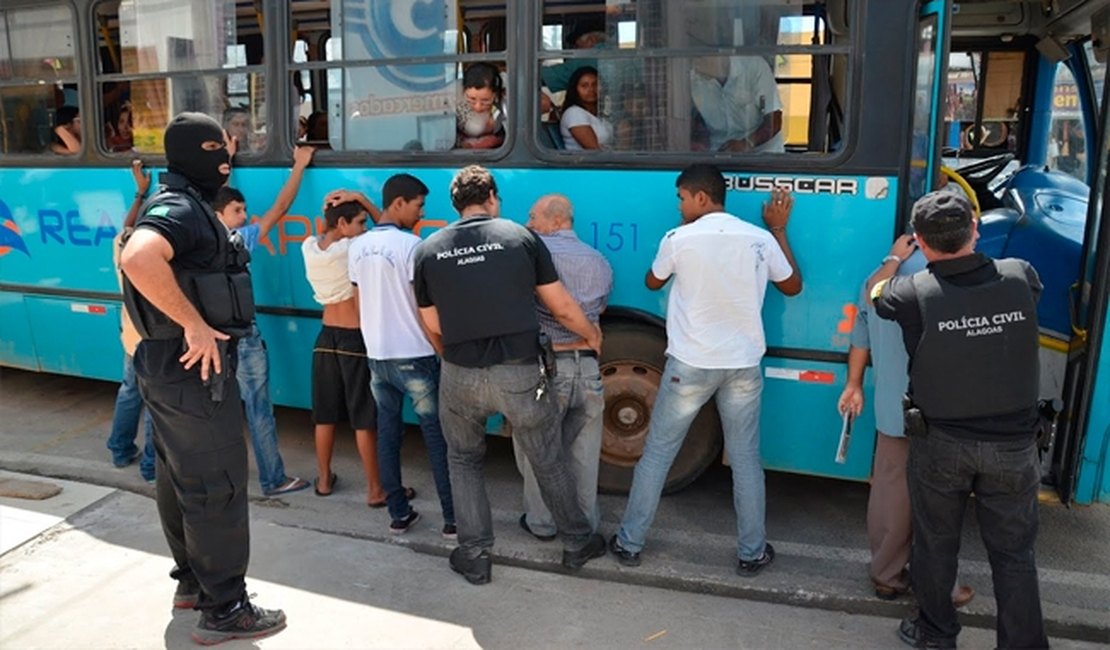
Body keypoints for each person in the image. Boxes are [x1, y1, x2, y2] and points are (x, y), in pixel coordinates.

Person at [119, 112, 286, 644]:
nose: (226, 157)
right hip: (193, 370)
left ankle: (193, 583)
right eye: (214, 147)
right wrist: (193, 323)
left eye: (228, 146)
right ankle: (225, 609)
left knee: (182, 479)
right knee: (218, 486)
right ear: (189, 153)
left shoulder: (186, 203)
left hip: (174, 369)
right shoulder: (180, 208)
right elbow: (140, 256)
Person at [869, 191, 1047, 649]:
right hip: (1014, 445)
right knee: (1014, 556)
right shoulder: (1020, 275)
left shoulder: (911, 292)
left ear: (922, 243)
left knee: (935, 547)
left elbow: (874, 295)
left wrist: (895, 255)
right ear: (975, 229)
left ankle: (936, 635)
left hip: (942, 444)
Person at [413, 165, 607, 585]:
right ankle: (577, 542)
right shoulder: (521, 238)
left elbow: (433, 324)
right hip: (519, 372)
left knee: (463, 461)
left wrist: (456, 356)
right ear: (493, 197)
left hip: (460, 372)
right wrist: (591, 333)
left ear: (455, 204)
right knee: (547, 456)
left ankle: (475, 555)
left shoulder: (428, 250)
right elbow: (561, 308)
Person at [609, 164, 801, 575]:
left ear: (700, 197)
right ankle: (751, 553)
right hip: (743, 366)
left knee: (658, 454)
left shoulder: (679, 239)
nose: (678, 207)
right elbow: (792, 286)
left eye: (681, 198)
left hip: (690, 365)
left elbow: (652, 282)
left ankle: (629, 543)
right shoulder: (760, 238)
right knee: (747, 459)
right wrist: (780, 230)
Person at [837, 238, 974, 608]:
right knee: (938, 502)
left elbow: (860, 338)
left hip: (892, 409)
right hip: (944, 413)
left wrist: (853, 384)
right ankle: (942, 586)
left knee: (890, 495)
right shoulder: (955, 281)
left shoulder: (877, 280)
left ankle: (886, 576)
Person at [347, 174, 455, 538]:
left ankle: (399, 514)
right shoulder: (412, 246)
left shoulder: (357, 246)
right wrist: (442, 350)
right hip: (416, 355)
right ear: (398, 203)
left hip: (379, 357)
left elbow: (359, 304)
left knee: (388, 436)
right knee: (436, 438)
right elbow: (425, 308)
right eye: (418, 205)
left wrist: (372, 345)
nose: (421, 213)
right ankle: (452, 520)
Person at [208, 146, 316, 497]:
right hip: (245, 337)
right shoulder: (241, 241)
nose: (245, 215)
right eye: (237, 210)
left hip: (211, 339)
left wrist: (228, 168)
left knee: (210, 411)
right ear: (220, 213)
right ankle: (273, 479)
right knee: (258, 410)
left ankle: (208, 477)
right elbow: (281, 207)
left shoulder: (198, 245)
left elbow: (214, 200)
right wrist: (298, 166)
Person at [513, 194, 612, 542]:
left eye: (533, 216)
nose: (528, 223)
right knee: (584, 455)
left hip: (546, 369)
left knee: (540, 450)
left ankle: (542, 522)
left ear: (556, 221)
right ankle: (584, 526)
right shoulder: (600, 261)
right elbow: (596, 313)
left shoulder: (535, 258)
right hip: (587, 369)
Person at [302, 195, 388, 507]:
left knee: (324, 415)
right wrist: (362, 199)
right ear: (342, 224)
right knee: (363, 417)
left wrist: (333, 209)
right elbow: (387, 227)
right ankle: (375, 489)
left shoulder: (309, 247)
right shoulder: (354, 248)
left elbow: (327, 230)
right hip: (354, 339)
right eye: (359, 222)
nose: (364, 228)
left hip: (325, 338)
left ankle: (324, 480)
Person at [106, 160, 155, 483]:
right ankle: (151, 466)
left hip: (131, 334)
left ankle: (120, 448)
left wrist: (139, 193)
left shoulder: (123, 245)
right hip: (153, 337)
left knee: (130, 392)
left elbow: (127, 224)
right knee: (156, 403)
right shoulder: (153, 257)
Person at [690, 55, 784, 153]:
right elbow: (696, 119)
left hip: (763, 154)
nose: (694, 64)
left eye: (699, 57)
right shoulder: (693, 79)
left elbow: (774, 120)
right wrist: (698, 141)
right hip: (718, 154)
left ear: (719, 55)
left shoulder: (754, 67)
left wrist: (747, 143)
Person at [560, 66, 613, 151]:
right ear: (575, 90)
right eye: (584, 86)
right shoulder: (574, 113)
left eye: (595, 84)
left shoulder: (599, 114)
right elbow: (595, 150)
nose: (591, 89)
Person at [456, 63, 506, 150]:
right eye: (471, 99)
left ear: (496, 95)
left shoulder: (503, 104)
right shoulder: (454, 98)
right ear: (463, 91)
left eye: (485, 100)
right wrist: (461, 143)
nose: (478, 107)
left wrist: (496, 140)